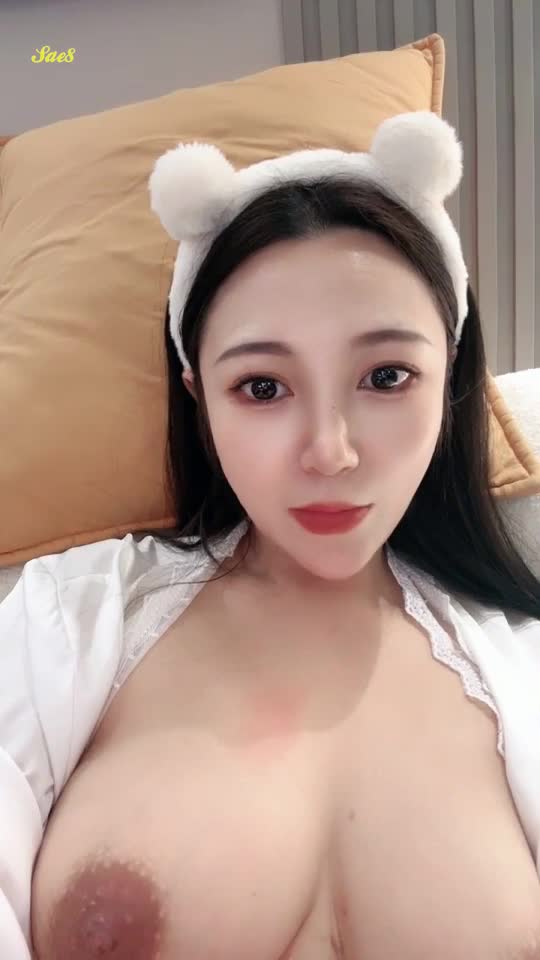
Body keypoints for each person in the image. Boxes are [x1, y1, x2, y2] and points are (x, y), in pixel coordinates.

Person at [1, 112, 539, 959]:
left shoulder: (524, 664)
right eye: (262, 387)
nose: (330, 451)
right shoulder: (67, 619)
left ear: (450, 377)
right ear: (198, 395)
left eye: (387, 376)